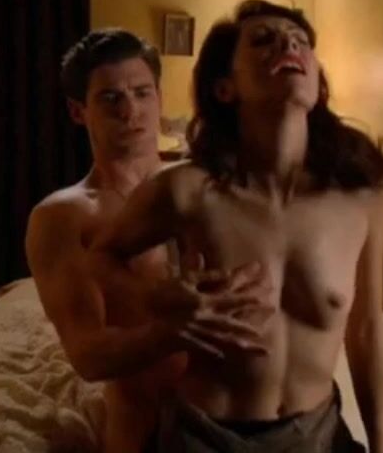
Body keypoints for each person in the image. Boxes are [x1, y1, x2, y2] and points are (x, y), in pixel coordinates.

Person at [89, 0, 383, 452]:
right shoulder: (187, 190)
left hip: (315, 436)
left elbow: (367, 328)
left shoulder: (365, 196)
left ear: (317, 86)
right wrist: (154, 295)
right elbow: (101, 255)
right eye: (263, 40)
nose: (289, 45)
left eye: (300, 41)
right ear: (225, 87)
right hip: (206, 436)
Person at [26, 28, 273, 453]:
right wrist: (179, 330)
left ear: (159, 96)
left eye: (142, 93)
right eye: (111, 98)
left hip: (247, 417)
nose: (130, 111)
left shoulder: (211, 187)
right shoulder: (64, 217)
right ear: (78, 111)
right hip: (150, 429)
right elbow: (87, 354)